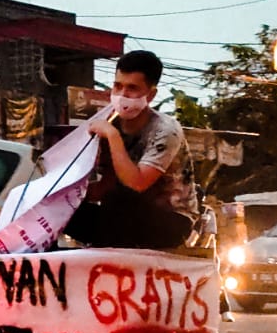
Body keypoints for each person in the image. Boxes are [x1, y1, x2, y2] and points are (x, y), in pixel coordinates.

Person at [64, 50, 198, 249]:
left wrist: (112, 136)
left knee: (120, 200)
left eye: (132, 88)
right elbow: (107, 185)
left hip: (171, 220)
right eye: (118, 86)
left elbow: (137, 182)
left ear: (150, 94)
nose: (122, 95)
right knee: (60, 210)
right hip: (122, 217)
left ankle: (112, 264)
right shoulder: (112, 121)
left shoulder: (165, 130)